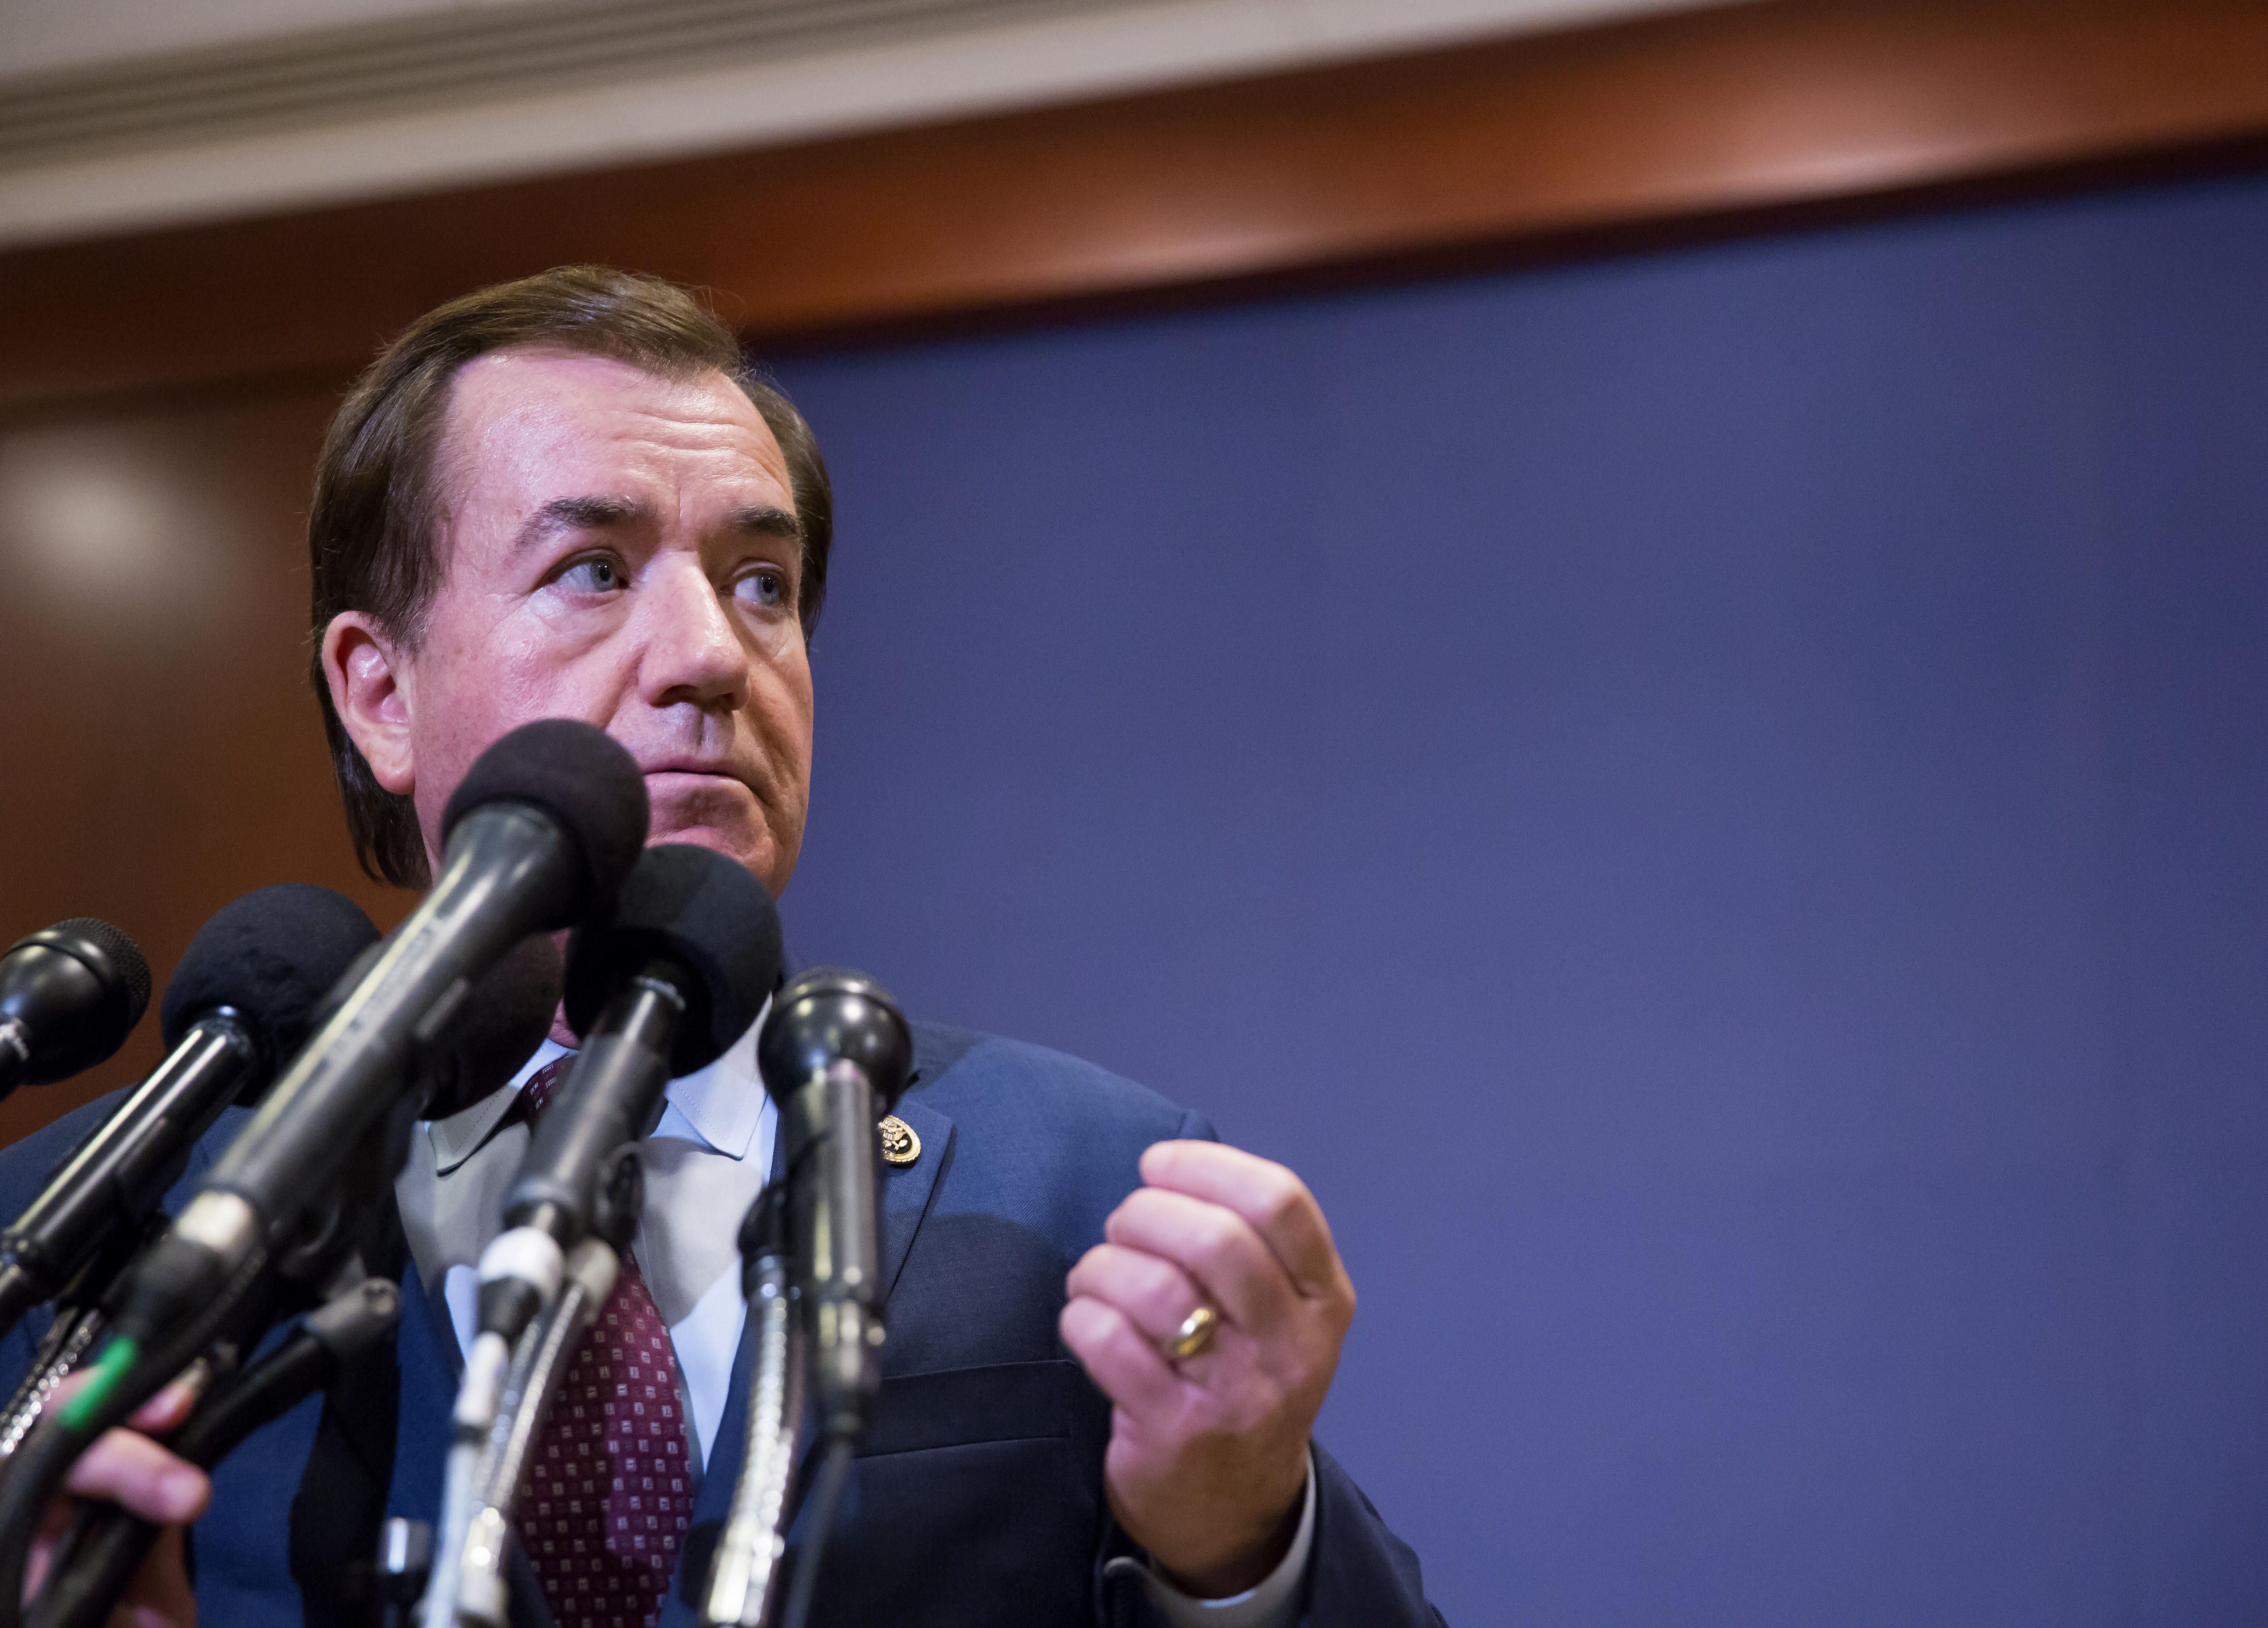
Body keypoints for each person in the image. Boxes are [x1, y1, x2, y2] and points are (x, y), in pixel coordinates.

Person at [0, 267, 1440, 1627]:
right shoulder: (92, 1243)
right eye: (592, 568)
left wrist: (1242, 1542)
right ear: (381, 692)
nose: (709, 654)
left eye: (764, 582)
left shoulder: (1079, 1180)